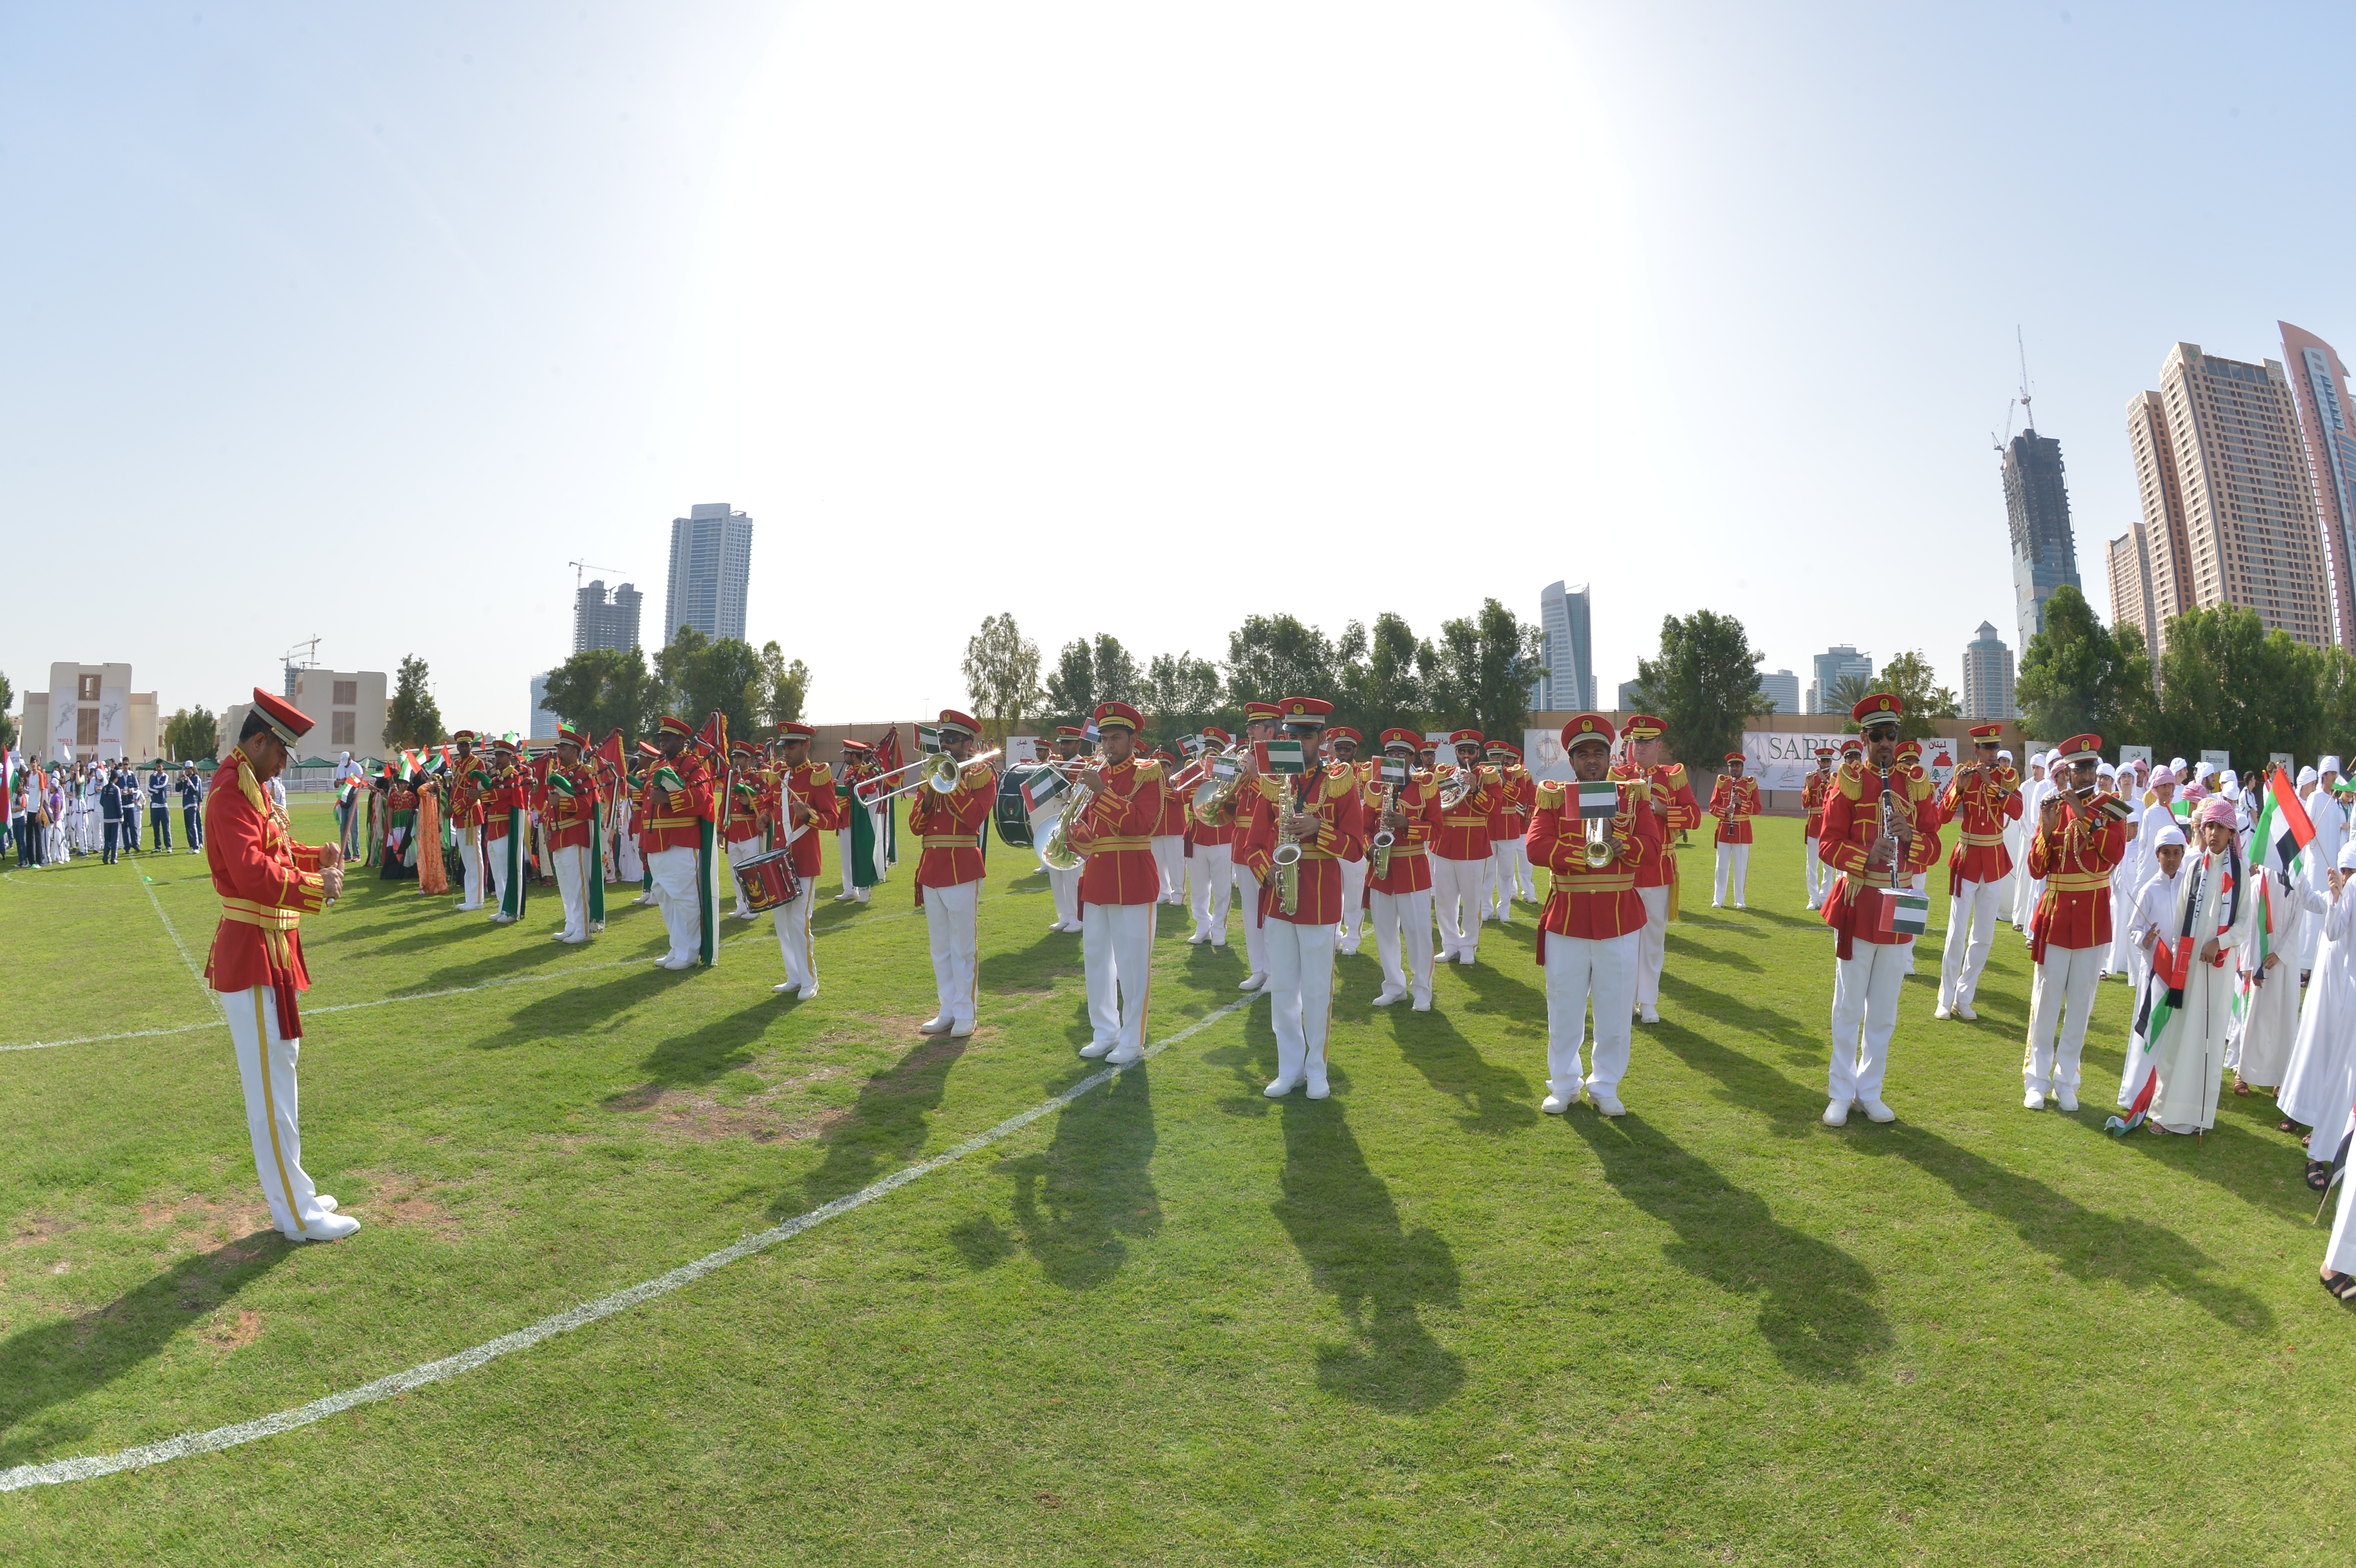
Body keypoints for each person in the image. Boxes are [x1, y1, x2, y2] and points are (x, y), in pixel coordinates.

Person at [204, 689, 357, 1241]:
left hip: (272, 951)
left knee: (282, 1076)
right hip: (251, 954)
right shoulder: (230, 790)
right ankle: (297, 1215)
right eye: (282, 752)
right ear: (260, 739)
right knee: (271, 1092)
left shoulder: (252, 785)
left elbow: (277, 852)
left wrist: (318, 858)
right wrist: (318, 887)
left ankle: (298, 1194)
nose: (285, 764)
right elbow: (251, 874)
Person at [1816, 694, 1942, 1126]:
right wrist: (1866, 855)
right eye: (1877, 736)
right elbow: (1828, 843)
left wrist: (1912, 838)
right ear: (1864, 739)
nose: (1885, 743)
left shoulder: (1916, 784)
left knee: (1885, 1009)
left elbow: (1935, 845)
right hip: (1858, 902)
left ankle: (1870, 1092)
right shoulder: (1849, 782)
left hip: (1902, 902)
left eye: (1891, 735)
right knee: (1848, 1006)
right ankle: (1840, 1092)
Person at [1235, 697, 1364, 1096]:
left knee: (1316, 990)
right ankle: (1289, 1068)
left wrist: (1317, 828)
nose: (1297, 741)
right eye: (1291, 734)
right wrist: (1267, 871)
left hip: (1320, 899)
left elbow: (1357, 848)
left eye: (1305, 735)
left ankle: (1318, 1070)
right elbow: (1252, 846)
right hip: (1279, 898)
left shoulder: (1340, 782)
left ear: (1321, 739)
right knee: (1284, 989)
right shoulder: (1273, 783)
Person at [1530, 714, 1658, 1115]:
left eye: (1598, 753)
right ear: (1571, 761)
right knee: (1563, 1007)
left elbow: (1653, 848)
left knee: (1616, 1010)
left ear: (1610, 756)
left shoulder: (1633, 796)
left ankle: (1605, 1086)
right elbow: (1536, 847)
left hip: (1619, 920)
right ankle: (1564, 1084)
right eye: (1583, 754)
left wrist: (1624, 846)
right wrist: (1584, 858)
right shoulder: (1553, 795)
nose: (1591, 760)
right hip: (1566, 920)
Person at [2019, 735, 2129, 1111]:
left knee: (2080, 1004)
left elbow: (2114, 854)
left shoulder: (2110, 809)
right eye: (2077, 769)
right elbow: (2036, 869)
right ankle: (2037, 1079)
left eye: (2090, 768)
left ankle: (2067, 1081)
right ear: (2065, 772)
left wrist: (2086, 818)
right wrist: (2048, 831)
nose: (2084, 775)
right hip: (2056, 913)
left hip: (2093, 919)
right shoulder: (2052, 805)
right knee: (2046, 1001)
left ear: (2097, 771)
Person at [2142, 799, 2258, 1135]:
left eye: (2220, 828)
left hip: (2219, 972)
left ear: (2231, 832)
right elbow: (2180, 924)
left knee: (2206, 1039)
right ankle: (2165, 1113)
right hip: (2189, 970)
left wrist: (2218, 944)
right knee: (2180, 1037)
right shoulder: (2194, 868)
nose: (2213, 834)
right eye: (2209, 827)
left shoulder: (2240, 873)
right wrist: (2181, 962)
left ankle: (2197, 1117)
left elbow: (2243, 925)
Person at [1059, 703, 1166, 1062]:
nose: (1108, 745)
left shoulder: (1148, 774)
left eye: (1116, 738)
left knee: (1134, 965)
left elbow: (1140, 824)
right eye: (1104, 739)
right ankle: (1104, 1032)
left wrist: (1102, 791)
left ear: (1133, 740)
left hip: (1133, 878)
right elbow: (1092, 836)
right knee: (1096, 960)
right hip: (1098, 880)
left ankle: (1133, 1040)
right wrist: (1072, 833)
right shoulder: (1097, 774)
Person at [907, 710, 995, 1036]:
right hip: (931, 868)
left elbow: (974, 819)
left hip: (962, 866)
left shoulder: (981, 775)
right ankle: (946, 1009)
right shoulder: (930, 774)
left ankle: (966, 1012)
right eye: (943, 739)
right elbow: (916, 827)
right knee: (939, 946)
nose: (945, 744)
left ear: (969, 743)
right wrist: (931, 793)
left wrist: (951, 784)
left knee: (963, 946)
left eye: (953, 740)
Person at [1613, 715, 1700, 1024]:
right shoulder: (1617, 775)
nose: (1640, 748)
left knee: (1652, 942)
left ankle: (1648, 1001)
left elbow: (1694, 817)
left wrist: (1663, 810)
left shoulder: (1672, 776)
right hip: (1623, 868)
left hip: (1659, 869)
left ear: (1659, 746)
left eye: (1647, 742)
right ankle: (1625, 1001)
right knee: (1623, 942)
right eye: (1637, 742)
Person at [2279, 841, 2356, 1185]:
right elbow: (2329, 925)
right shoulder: (2345, 892)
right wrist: (2297, 870)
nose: (2348, 877)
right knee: (2325, 1058)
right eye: (2346, 871)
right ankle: (2319, 1137)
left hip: (2347, 994)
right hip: (2331, 994)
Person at [1935, 724, 2019, 1020]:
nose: (1994, 754)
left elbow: (2018, 812)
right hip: (1967, 858)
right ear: (1977, 750)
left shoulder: (2006, 778)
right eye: (1988, 749)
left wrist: (1994, 787)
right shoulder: (1964, 775)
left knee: (1983, 935)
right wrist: (1959, 788)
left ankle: (1964, 996)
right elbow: (1942, 817)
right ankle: (1945, 999)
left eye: (1996, 748)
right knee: (1957, 933)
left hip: (1994, 860)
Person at [2227, 831, 2321, 1098]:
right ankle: (2243, 1071)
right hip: (2260, 961)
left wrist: (2280, 954)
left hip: (2285, 963)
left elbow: (2297, 924)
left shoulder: (2298, 885)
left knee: (2285, 1018)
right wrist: (2249, 964)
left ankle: (2282, 1076)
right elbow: (2247, 927)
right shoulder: (2260, 883)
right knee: (2254, 1017)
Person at [1364, 728, 1441, 1011]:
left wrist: (1407, 824)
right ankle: (1394, 986)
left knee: (1418, 932)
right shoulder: (1375, 787)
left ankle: (1422, 989)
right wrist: (1369, 847)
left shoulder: (1425, 786)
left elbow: (1437, 830)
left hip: (1413, 868)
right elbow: (1362, 828)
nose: (1396, 758)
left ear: (1413, 758)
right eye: (1391, 754)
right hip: (1381, 871)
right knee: (1385, 931)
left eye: (1402, 754)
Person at [768, 721, 842, 997]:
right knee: (782, 923)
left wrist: (808, 816)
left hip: (803, 859)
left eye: (791, 746)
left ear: (806, 746)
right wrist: (765, 816)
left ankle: (810, 980)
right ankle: (795, 975)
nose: (785, 751)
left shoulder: (818, 777)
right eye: (784, 746)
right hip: (777, 859)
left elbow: (834, 819)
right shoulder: (781, 777)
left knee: (800, 921)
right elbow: (770, 804)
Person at [642, 716, 719, 969]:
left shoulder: (693, 764)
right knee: (666, 898)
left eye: (668, 739)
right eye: (661, 739)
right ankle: (677, 947)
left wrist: (668, 799)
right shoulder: (656, 767)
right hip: (657, 842)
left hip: (681, 841)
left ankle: (689, 952)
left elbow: (702, 795)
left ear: (682, 741)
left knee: (686, 899)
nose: (663, 744)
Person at [1429, 729, 1500, 965]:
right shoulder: (1445, 774)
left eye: (1471, 751)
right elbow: (1437, 804)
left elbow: (1495, 810)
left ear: (1478, 752)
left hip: (1474, 846)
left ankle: (1469, 945)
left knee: (1472, 900)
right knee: (1444, 900)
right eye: (1462, 751)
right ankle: (1449, 944)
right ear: (1456, 753)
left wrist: (1476, 790)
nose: (1467, 756)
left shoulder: (1488, 776)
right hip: (1445, 844)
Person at [1228, 703, 1284, 991]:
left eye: (1255, 727)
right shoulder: (1248, 759)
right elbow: (1234, 802)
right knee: (1251, 913)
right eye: (1249, 726)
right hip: (1242, 845)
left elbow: (1284, 795)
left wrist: (1256, 773)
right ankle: (1259, 968)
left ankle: (1275, 971)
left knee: (1271, 911)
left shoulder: (1282, 757)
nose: (1248, 731)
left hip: (1270, 844)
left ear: (1270, 731)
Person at [541, 724, 600, 944]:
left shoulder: (584, 772)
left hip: (575, 835)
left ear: (575, 751)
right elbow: (551, 807)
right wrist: (548, 828)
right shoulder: (559, 774)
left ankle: (583, 929)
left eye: (563, 748)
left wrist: (562, 802)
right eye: (559, 748)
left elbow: (588, 806)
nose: (559, 752)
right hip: (558, 836)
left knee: (578, 885)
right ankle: (571, 924)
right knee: (566, 886)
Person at [1178, 726, 1236, 947]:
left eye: (1216, 749)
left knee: (1222, 889)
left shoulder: (1230, 769)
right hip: (1196, 836)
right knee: (1199, 888)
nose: (1211, 753)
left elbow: (1235, 800)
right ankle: (1202, 925)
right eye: (1208, 748)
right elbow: (1179, 797)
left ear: (1223, 750)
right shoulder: (1193, 770)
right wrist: (1198, 782)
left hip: (1222, 836)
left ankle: (1219, 929)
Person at [1483, 739, 1536, 923]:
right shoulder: (1482, 774)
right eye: (1492, 756)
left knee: (1506, 873)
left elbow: (1523, 797)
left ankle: (1504, 909)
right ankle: (1486, 909)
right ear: (1487, 757)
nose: (1496, 759)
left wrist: (1504, 782)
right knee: (1487, 873)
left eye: (1499, 756)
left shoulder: (1516, 774)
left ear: (1505, 757)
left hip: (1508, 828)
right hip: (1489, 827)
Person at [1326, 730, 1370, 952]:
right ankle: (1333, 934)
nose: (1342, 753)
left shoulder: (1367, 772)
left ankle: (1353, 936)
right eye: (1339, 748)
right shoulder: (1326, 771)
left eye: (1347, 749)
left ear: (1355, 750)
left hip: (1356, 839)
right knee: (1332, 891)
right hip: (1330, 837)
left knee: (1354, 892)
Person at [2303, 756, 2345, 975]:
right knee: (2313, 911)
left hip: (2331, 864)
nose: (2335, 779)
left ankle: (2322, 961)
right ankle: (2307, 964)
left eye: (2337, 775)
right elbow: (2306, 829)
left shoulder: (2335, 802)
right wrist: (2311, 834)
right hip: (2316, 861)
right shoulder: (2316, 798)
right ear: (2324, 776)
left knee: (2328, 906)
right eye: (2333, 775)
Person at [720, 741, 770, 920]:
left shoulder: (757, 777)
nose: (737, 760)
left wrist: (751, 801)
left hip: (750, 829)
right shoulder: (730, 778)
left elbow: (768, 797)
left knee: (751, 871)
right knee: (736, 872)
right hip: (733, 831)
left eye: (740, 757)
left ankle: (756, 906)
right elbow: (723, 805)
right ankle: (741, 904)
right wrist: (720, 830)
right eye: (735, 757)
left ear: (748, 759)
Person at [1707, 752, 1758, 909]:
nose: (1735, 769)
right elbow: (1712, 806)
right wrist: (1725, 811)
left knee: (1741, 867)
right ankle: (1719, 899)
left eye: (1737, 766)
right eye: (1732, 766)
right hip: (1724, 827)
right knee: (1721, 866)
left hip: (1743, 829)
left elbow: (1757, 808)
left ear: (1743, 767)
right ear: (1729, 768)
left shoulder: (1750, 783)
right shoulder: (1722, 782)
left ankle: (1740, 900)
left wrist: (1741, 803)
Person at [832, 740, 881, 904]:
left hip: (859, 818)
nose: (844, 757)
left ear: (853, 755)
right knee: (846, 856)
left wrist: (830, 787)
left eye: (846, 754)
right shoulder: (851, 771)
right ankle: (850, 890)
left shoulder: (866, 771)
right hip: (845, 818)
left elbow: (852, 791)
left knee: (861, 854)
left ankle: (865, 890)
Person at [2012, 752, 2049, 933]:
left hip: (2042, 839)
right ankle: (2019, 918)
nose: (2036, 771)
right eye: (2033, 768)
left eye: (2039, 768)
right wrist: (2031, 835)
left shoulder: (2047, 787)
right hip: (2028, 838)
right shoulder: (2025, 787)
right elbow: (2022, 814)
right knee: (2024, 877)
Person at [1801, 746, 1835, 910]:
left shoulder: (1836, 778)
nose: (1825, 763)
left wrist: (1825, 780)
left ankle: (1825, 897)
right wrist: (1808, 786)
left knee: (1829, 865)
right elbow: (1805, 803)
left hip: (1829, 825)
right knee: (1812, 864)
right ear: (1818, 762)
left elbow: (1836, 796)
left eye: (1828, 761)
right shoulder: (1812, 778)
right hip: (1814, 824)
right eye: (1823, 761)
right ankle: (1813, 898)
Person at [177, 762, 205, 853]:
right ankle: (192, 846)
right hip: (185, 805)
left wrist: (189, 782)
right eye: (186, 768)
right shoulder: (185, 780)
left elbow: (196, 791)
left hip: (193, 804)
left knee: (194, 825)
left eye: (189, 768)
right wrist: (179, 780)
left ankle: (197, 846)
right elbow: (178, 789)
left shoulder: (195, 778)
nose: (187, 770)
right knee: (188, 827)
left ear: (192, 768)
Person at [98, 765, 124, 864]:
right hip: (115, 818)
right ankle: (114, 858)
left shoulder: (105, 788)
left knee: (107, 839)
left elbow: (101, 802)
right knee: (115, 839)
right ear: (116, 778)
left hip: (107, 818)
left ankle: (105, 858)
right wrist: (121, 816)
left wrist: (107, 809)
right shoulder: (116, 789)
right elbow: (119, 804)